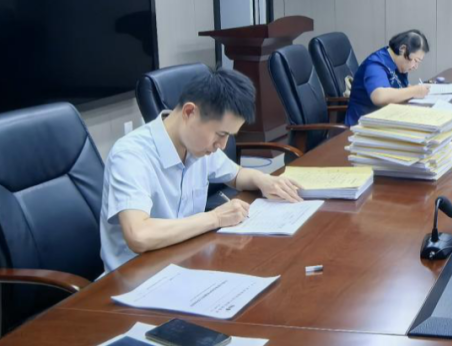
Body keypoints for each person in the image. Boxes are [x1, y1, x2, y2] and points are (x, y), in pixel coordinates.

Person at [99, 69, 303, 272]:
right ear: (189, 112)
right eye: (220, 134)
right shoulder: (131, 155)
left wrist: (263, 180)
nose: (222, 145)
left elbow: (237, 175)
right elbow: (139, 235)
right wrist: (215, 218)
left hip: (186, 262)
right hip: (136, 277)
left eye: (229, 136)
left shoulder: (197, 144)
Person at [344, 29, 432, 126]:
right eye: (416, 60)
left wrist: (417, 91)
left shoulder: (398, 63)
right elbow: (379, 97)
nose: (415, 66)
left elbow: (401, 87)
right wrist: (415, 91)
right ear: (403, 49)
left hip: (386, 118)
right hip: (362, 124)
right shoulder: (375, 64)